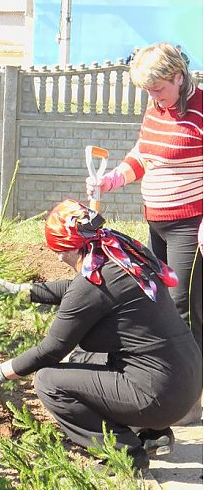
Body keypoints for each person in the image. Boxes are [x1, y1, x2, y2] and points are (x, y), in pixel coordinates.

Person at [0, 200, 203, 472]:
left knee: (49, 381)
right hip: (186, 379)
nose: (57, 257)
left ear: (72, 247)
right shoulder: (120, 255)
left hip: (162, 394)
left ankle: (127, 453)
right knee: (86, 356)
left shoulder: (93, 281)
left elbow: (51, 349)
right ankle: (152, 433)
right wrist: (22, 290)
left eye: (59, 250)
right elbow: (74, 288)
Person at [86, 43, 203, 424]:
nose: (153, 97)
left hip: (192, 224)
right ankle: (174, 385)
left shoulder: (201, 110)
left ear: (178, 77)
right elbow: (142, 156)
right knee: (162, 305)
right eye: (148, 91)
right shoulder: (156, 110)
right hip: (157, 221)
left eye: (158, 88)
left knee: (185, 307)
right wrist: (112, 180)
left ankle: (189, 398)